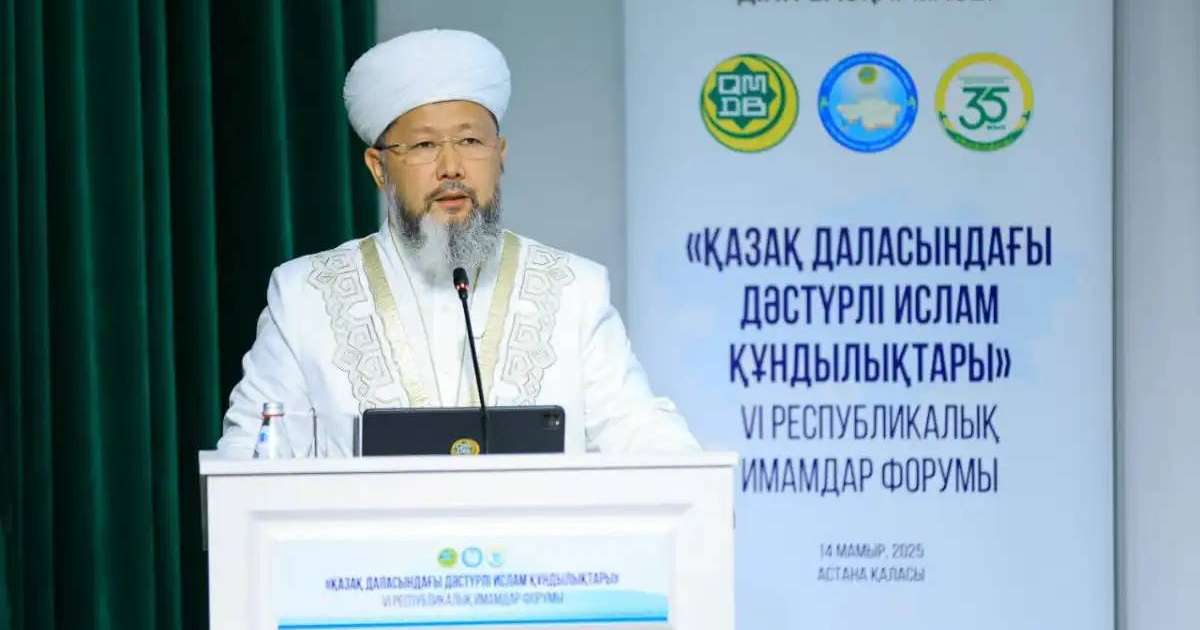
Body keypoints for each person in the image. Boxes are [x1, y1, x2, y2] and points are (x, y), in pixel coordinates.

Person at [217, 29, 699, 458]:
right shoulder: (305, 294)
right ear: (378, 167)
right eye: (424, 146)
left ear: (500, 155)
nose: (452, 167)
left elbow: (640, 432)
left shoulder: (574, 288)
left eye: (470, 142)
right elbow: (253, 451)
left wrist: (691, 483)